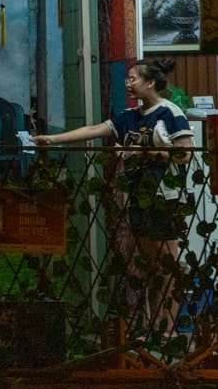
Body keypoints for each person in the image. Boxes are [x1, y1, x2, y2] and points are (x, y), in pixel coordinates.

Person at [33, 58, 192, 328]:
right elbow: (95, 130)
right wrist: (52, 139)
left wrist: (146, 152)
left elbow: (185, 153)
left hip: (165, 196)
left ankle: (167, 329)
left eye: (133, 79)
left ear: (150, 82)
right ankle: (154, 325)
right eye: (128, 79)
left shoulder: (170, 113)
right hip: (138, 195)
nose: (128, 84)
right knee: (151, 265)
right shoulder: (130, 116)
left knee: (167, 266)